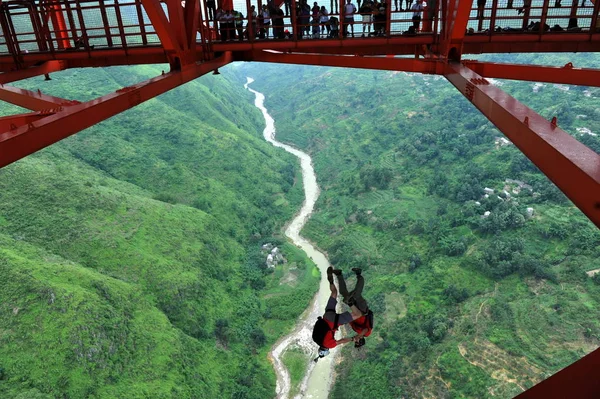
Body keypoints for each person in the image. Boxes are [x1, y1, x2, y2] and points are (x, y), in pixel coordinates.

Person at [312, 267, 364, 361]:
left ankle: (349, 302)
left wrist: (352, 339)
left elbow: (342, 341)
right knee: (334, 293)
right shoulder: (316, 339)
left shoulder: (329, 345)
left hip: (333, 321)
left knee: (358, 314)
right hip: (326, 315)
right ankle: (331, 280)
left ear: (326, 350)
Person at [334, 267, 373, 348]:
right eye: (357, 342)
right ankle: (359, 274)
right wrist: (359, 335)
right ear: (361, 340)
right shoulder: (367, 334)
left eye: (355, 342)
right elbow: (365, 330)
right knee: (357, 294)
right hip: (363, 310)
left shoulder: (355, 329)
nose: (355, 340)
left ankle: (339, 274)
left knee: (344, 294)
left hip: (355, 310)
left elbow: (350, 320)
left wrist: (339, 322)